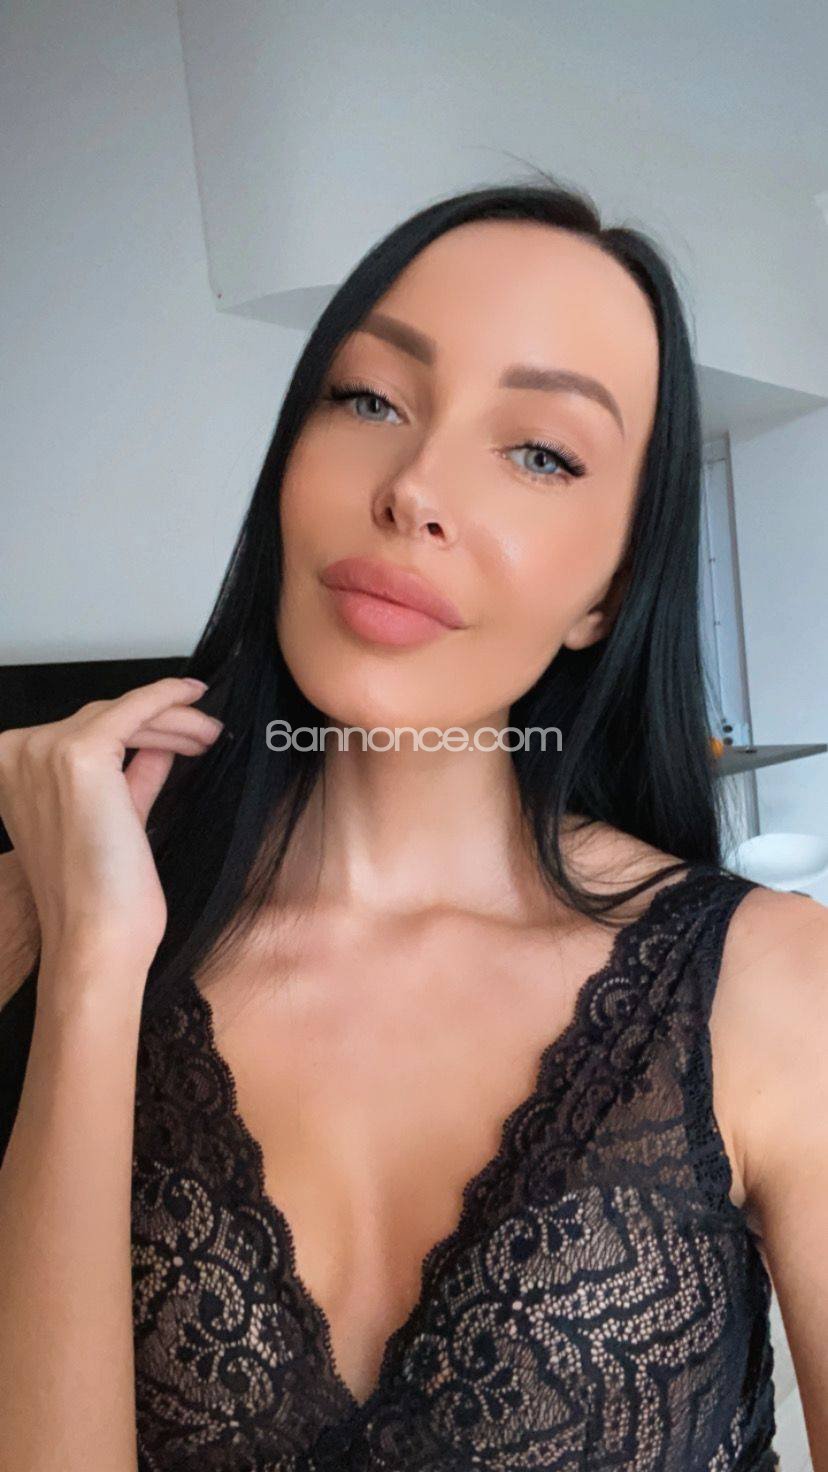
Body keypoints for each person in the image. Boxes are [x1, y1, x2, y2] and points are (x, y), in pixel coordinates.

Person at [0, 176, 826, 1471]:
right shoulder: (44, 929)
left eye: (541, 452)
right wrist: (93, 968)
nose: (416, 489)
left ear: (610, 592)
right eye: (371, 399)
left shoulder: (774, 986)